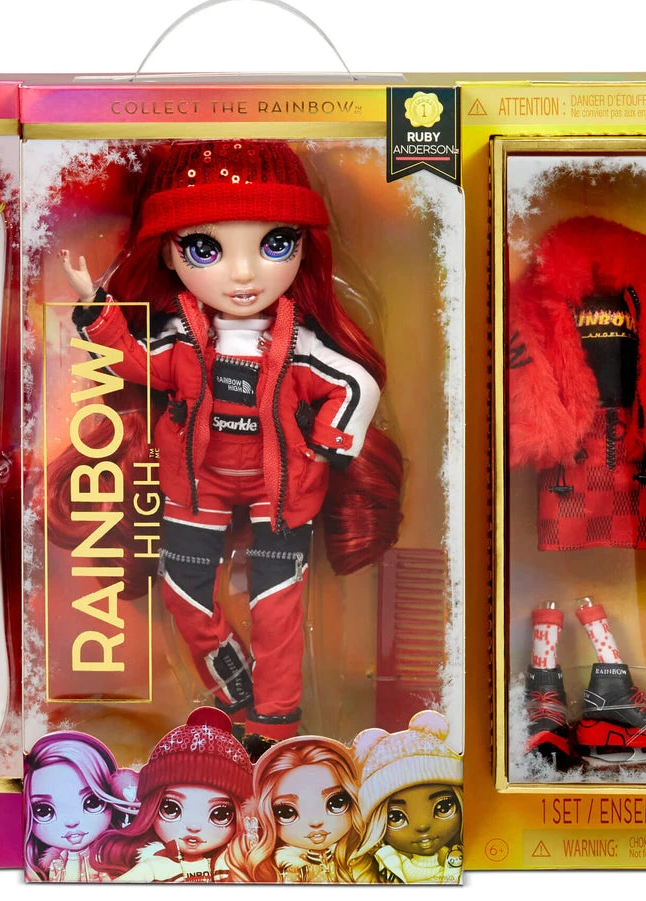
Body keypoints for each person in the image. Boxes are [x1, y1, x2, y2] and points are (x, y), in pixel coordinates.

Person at [55, 140, 402, 742]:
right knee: (184, 595)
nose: (243, 274)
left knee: (278, 606)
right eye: (205, 248)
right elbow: (133, 363)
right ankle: (237, 689)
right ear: (169, 253)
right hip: (197, 487)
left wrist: (326, 446)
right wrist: (98, 309)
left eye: (275, 244)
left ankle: (275, 721)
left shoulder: (299, 345)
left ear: (304, 246)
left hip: (282, 489)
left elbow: (355, 384)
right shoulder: (181, 340)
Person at [90, 707, 253, 883]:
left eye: (220, 814)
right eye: (171, 809)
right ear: (151, 809)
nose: (193, 827)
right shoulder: (155, 867)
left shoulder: (232, 861)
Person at [234, 735, 374, 883]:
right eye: (287, 812)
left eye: (336, 803)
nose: (315, 822)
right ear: (266, 814)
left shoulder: (360, 859)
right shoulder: (284, 867)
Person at [352, 711, 464, 884]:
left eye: (443, 808)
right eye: (396, 817)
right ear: (378, 824)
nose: (422, 826)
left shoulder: (464, 857)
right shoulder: (381, 865)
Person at [23, 731, 138, 883]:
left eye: (92, 802)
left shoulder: (115, 855)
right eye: (44, 811)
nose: (71, 821)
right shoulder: (52, 864)